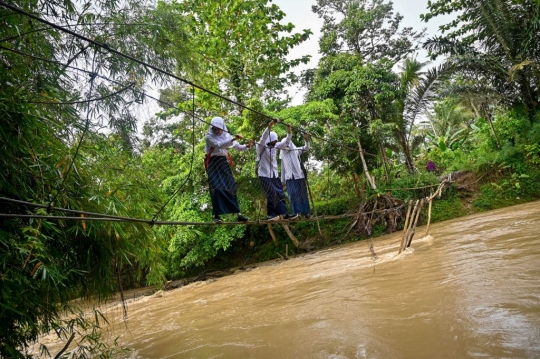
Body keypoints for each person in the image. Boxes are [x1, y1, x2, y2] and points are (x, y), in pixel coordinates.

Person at [205, 117, 253, 224]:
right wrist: (233, 139)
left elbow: (238, 147)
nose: (217, 131)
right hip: (213, 163)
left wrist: (247, 146)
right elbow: (219, 145)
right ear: (212, 128)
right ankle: (217, 216)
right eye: (215, 129)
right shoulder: (209, 136)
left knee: (231, 187)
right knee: (216, 188)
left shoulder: (227, 135)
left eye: (219, 129)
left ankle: (238, 214)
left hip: (223, 162)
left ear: (223, 128)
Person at [256, 119, 298, 221]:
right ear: (269, 140)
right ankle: (284, 214)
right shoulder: (261, 147)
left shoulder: (275, 146)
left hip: (274, 175)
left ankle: (271, 214)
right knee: (273, 192)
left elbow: (286, 142)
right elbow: (263, 138)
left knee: (279, 193)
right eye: (273, 142)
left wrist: (289, 131)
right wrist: (270, 125)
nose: (275, 144)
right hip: (264, 174)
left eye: (275, 142)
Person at [280, 131, 311, 218]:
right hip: (289, 178)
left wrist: (306, 139)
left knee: (302, 194)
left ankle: (306, 213)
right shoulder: (282, 154)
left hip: (299, 176)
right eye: (284, 145)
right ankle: (296, 213)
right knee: (293, 194)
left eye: (287, 144)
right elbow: (282, 168)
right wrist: (282, 181)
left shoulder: (296, 150)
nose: (286, 146)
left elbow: (306, 148)